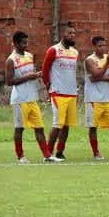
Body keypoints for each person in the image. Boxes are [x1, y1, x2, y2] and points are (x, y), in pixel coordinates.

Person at [6, 31, 60, 163]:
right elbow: (9, 81)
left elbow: (30, 74)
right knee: (19, 128)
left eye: (27, 42)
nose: (26, 45)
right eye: (23, 43)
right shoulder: (11, 60)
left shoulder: (29, 56)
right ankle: (20, 156)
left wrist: (36, 75)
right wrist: (29, 77)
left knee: (39, 128)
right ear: (16, 44)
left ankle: (47, 155)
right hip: (20, 99)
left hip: (32, 98)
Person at [84, 36, 109, 160]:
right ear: (94, 46)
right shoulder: (90, 60)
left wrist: (98, 78)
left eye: (104, 45)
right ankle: (96, 153)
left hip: (107, 99)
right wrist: (107, 63)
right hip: (93, 99)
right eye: (100, 46)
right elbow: (96, 73)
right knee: (93, 127)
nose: (103, 48)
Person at [41, 22, 78, 160]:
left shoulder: (75, 52)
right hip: (58, 93)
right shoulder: (53, 50)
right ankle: (48, 154)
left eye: (74, 33)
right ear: (63, 34)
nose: (72, 35)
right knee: (57, 124)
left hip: (72, 93)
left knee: (67, 126)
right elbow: (45, 71)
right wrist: (48, 88)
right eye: (70, 33)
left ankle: (60, 152)